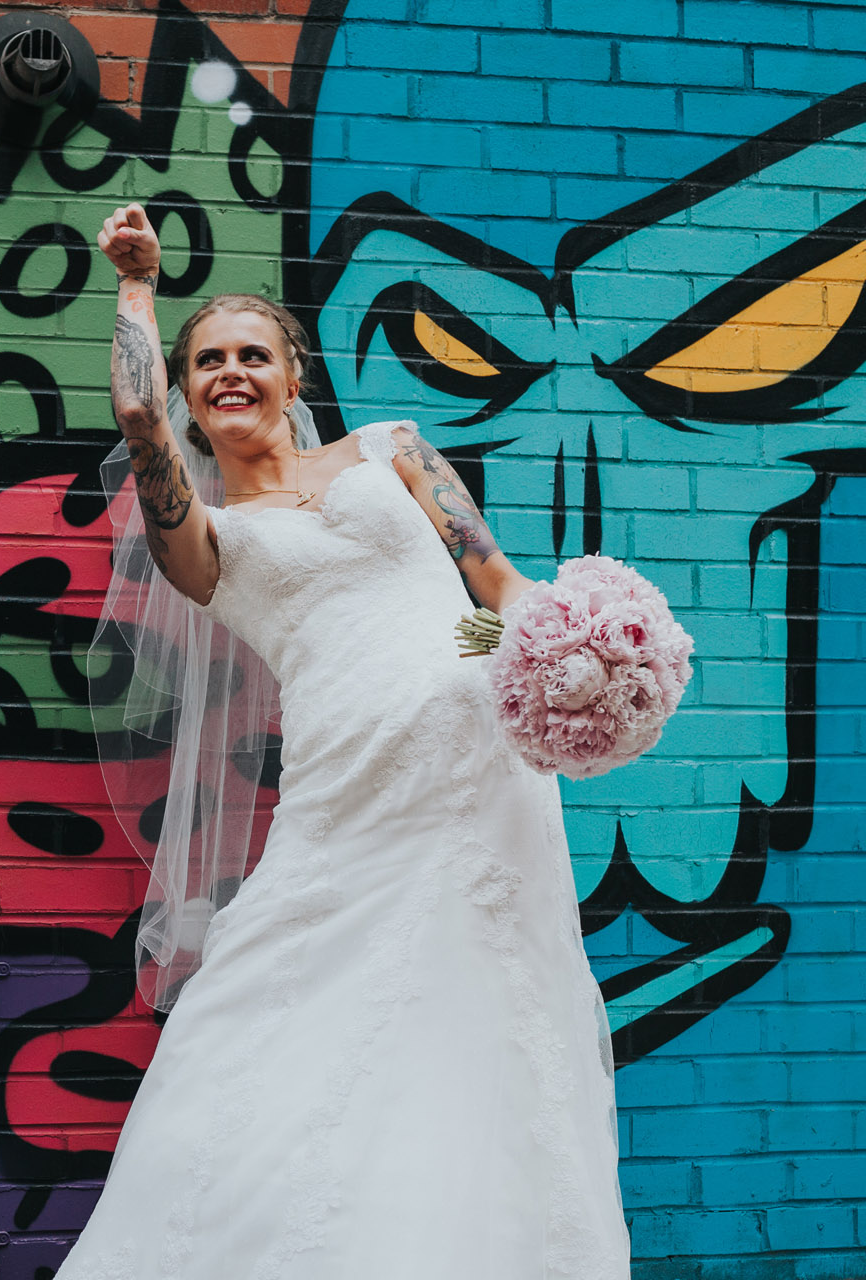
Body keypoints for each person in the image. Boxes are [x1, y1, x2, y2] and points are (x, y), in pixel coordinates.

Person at [57, 204, 631, 1277]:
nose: (231, 373)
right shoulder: (208, 540)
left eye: (253, 354)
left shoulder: (393, 449)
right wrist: (137, 287)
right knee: (264, 1006)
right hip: (345, 796)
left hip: (481, 778)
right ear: (187, 389)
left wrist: (576, 669)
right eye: (208, 361)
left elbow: (493, 589)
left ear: (293, 371)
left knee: (488, 1014)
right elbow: (137, 417)